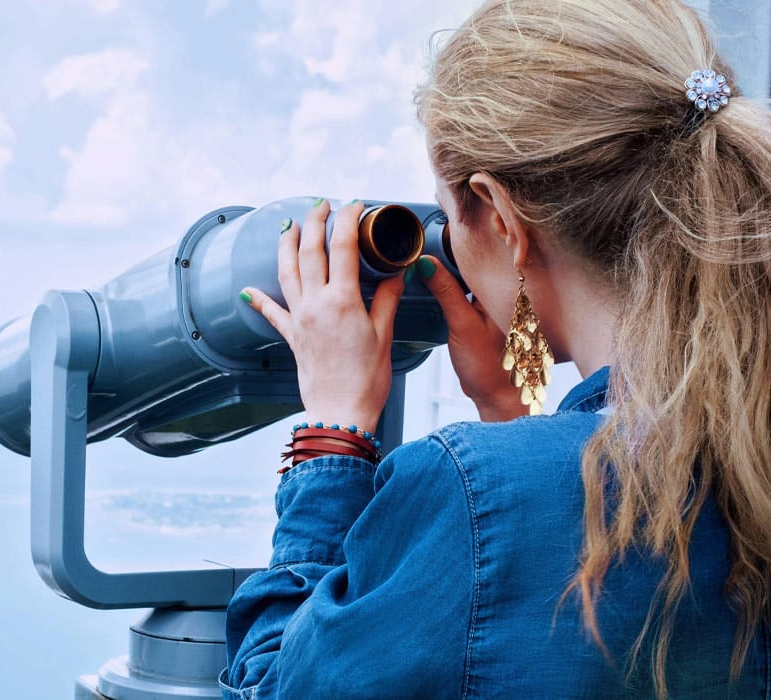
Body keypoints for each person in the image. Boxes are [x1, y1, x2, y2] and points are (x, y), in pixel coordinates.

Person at [226, 0, 771, 697]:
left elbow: (275, 686)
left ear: (502, 217)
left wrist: (333, 434)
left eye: (449, 217)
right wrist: (515, 425)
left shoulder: (469, 489)